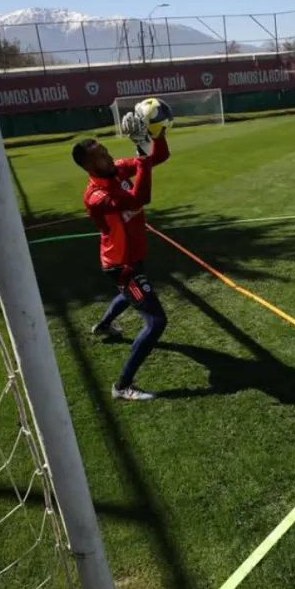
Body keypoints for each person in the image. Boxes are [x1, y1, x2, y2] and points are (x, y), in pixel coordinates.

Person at [72, 112, 170, 400]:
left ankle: (103, 326)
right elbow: (141, 198)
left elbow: (158, 157)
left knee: (130, 295)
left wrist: (156, 132)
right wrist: (140, 153)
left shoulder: (115, 170)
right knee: (156, 322)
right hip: (121, 265)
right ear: (89, 166)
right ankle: (122, 386)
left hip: (131, 258)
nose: (108, 156)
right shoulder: (97, 197)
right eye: (101, 155)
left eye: (106, 150)